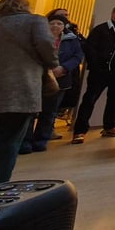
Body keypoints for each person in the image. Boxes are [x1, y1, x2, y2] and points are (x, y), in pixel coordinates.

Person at [0, 0, 56, 189]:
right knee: (9, 140)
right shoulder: (35, 20)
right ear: (24, 7)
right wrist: (53, 63)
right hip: (18, 90)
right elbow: (45, 42)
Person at [72, 4, 115, 144]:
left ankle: (109, 126)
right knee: (90, 99)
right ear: (113, 13)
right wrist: (97, 66)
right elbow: (90, 48)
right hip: (101, 72)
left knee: (114, 100)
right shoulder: (101, 29)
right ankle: (79, 131)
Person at [23, 14, 84, 153]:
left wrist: (64, 68)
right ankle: (25, 140)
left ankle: (41, 140)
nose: (55, 26)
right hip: (38, 77)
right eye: (53, 23)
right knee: (31, 111)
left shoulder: (71, 39)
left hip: (60, 78)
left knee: (50, 112)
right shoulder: (37, 38)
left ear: (64, 26)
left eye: (59, 24)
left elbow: (77, 56)